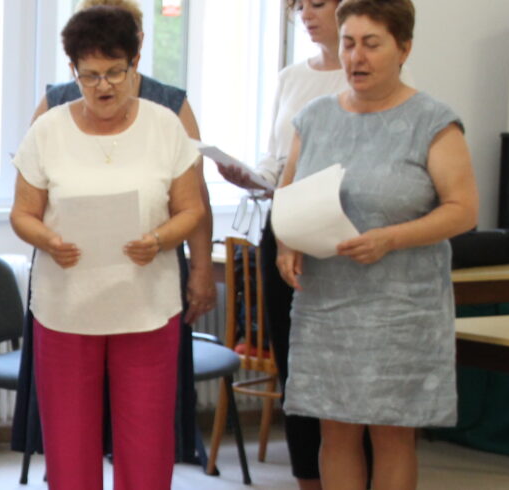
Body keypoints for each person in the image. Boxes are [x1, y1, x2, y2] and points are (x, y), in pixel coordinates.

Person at [275, 1, 477, 489]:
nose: (356, 57)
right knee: (336, 430)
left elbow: (463, 210)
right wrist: (287, 245)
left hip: (401, 309)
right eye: (348, 44)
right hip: (328, 304)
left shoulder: (433, 121)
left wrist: (392, 238)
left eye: (371, 44)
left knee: (392, 434)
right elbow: (289, 194)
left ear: (403, 49)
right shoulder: (314, 118)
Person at [9, 6, 206, 489]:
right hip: (66, 309)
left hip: (146, 307)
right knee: (69, 448)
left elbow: (191, 209)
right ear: (72, 69)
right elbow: (22, 214)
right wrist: (48, 240)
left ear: (135, 62)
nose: (103, 86)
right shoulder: (48, 129)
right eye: (90, 74)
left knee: (147, 446)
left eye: (115, 72)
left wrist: (159, 238)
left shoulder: (165, 125)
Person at [216, 1, 350, 487]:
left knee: (345, 372)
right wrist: (250, 176)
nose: (307, 15)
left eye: (318, 3)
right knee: (295, 366)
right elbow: (277, 161)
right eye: (299, 6)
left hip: (342, 228)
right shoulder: (291, 77)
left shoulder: (368, 76)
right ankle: (307, 477)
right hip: (288, 225)